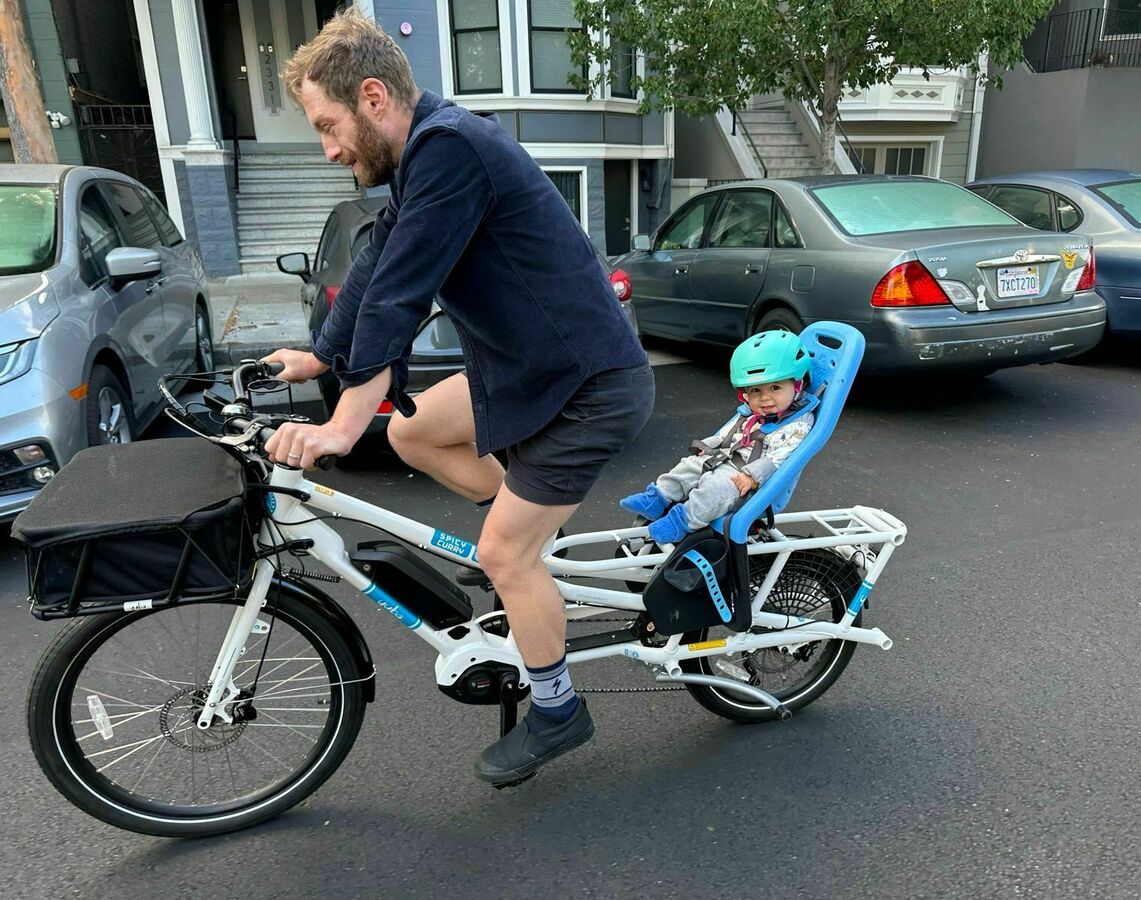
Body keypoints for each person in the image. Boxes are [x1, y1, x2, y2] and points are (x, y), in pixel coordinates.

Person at [259, 9, 654, 786]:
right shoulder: (423, 152)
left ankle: (557, 707)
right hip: (522, 372)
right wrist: (320, 354)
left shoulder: (452, 151)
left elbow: (400, 300)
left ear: (373, 96)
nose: (329, 148)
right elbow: (377, 265)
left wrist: (343, 421)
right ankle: (532, 558)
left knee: (503, 551)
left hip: (590, 385)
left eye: (328, 125)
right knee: (411, 433)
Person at [620, 331, 815, 543]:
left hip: (748, 480)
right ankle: (657, 497)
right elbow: (726, 434)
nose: (765, 397)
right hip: (726, 458)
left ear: (797, 386)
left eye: (775, 388)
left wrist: (752, 477)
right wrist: (710, 446)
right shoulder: (751, 413)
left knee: (715, 490)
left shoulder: (798, 424)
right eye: (756, 390)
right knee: (689, 466)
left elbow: (781, 459)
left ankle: (681, 522)